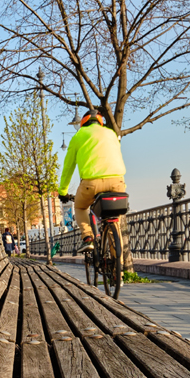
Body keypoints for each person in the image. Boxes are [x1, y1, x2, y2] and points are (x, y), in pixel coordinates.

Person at [57, 110, 127, 265]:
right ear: (101, 122)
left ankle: (88, 237)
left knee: (80, 207)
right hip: (117, 181)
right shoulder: (111, 134)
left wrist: (63, 191)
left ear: (83, 123)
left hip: (90, 183)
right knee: (114, 217)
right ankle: (118, 268)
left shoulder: (78, 136)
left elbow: (68, 167)